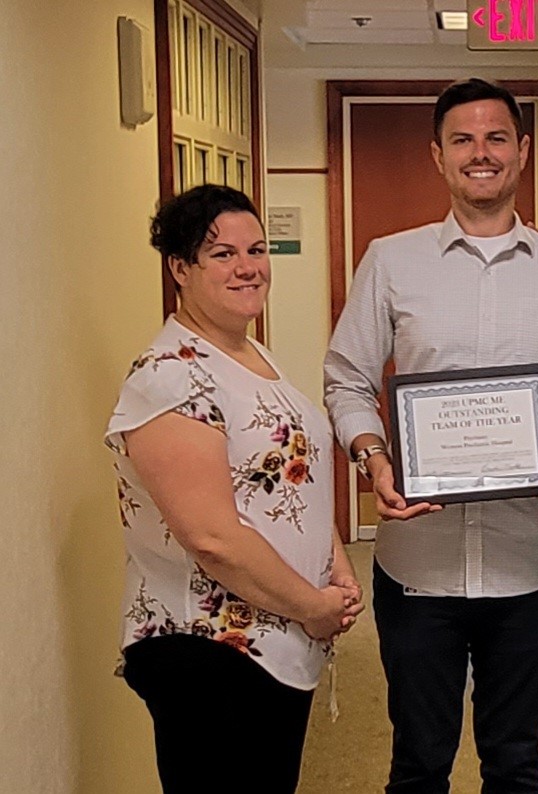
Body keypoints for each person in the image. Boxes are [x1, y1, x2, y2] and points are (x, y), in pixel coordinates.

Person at [323, 77, 538, 793]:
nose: (479, 153)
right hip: (416, 568)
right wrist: (372, 456)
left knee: (514, 764)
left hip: (530, 567)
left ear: (521, 151)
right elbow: (345, 378)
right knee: (418, 765)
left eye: (495, 138)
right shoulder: (390, 260)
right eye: (462, 139)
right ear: (437, 155)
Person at [105, 184, 364, 794]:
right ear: (179, 268)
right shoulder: (169, 378)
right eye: (222, 254)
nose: (248, 267)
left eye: (257, 249)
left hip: (274, 636)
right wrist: (313, 606)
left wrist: (337, 570)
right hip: (207, 650)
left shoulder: (247, 353)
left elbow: (287, 479)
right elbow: (212, 537)